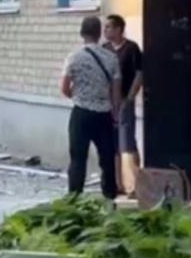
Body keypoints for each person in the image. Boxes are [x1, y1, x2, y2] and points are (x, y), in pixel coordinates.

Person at [61, 16, 120, 200]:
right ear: (99, 33)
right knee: (107, 158)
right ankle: (109, 198)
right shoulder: (111, 58)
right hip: (103, 115)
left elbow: (64, 88)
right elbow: (116, 91)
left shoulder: (74, 57)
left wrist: (78, 96)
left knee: (78, 158)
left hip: (81, 114)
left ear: (82, 33)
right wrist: (115, 114)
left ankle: (74, 199)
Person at [103, 14, 144, 196]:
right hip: (107, 103)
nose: (105, 31)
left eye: (109, 27)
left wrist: (130, 97)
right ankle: (117, 183)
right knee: (112, 145)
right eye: (104, 27)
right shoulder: (104, 49)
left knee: (127, 142)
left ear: (119, 29)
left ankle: (136, 184)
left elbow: (139, 73)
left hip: (124, 101)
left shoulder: (131, 48)